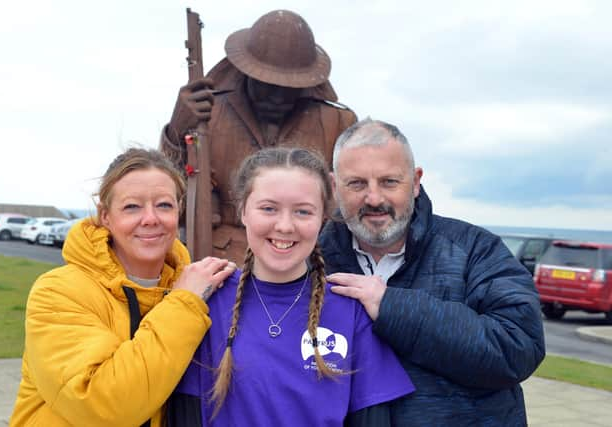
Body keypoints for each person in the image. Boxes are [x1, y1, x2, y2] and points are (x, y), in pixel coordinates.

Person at [319, 118, 546, 425]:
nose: (374, 199)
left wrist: (393, 307)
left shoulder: (476, 249)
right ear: (334, 186)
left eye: (389, 181)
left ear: (415, 181)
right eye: (357, 183)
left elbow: (519, 348)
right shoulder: (310, 261)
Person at [166, 147, 414, 427]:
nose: (285, 226)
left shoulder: (350, 310)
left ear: (322, 219)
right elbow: (183, 413)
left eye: (303, 212)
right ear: (243, 212)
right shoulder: (206, 302)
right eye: (269, 208)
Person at [10, 148, 236, 426]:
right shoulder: (58, 291)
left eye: (164, 205)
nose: (151, 218)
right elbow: (104, 404)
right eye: (132, 207)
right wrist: (185, 302)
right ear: (105, 216)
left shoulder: (196, 287)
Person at [160, 9, 357, 262]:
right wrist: (176, 131)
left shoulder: (337, 122)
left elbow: (352, 200)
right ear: (246, 72)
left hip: (306, 264)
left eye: (287, 89)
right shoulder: (207, 111)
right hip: (219, 263)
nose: (276, 98)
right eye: (266, 85)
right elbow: (167, 188)